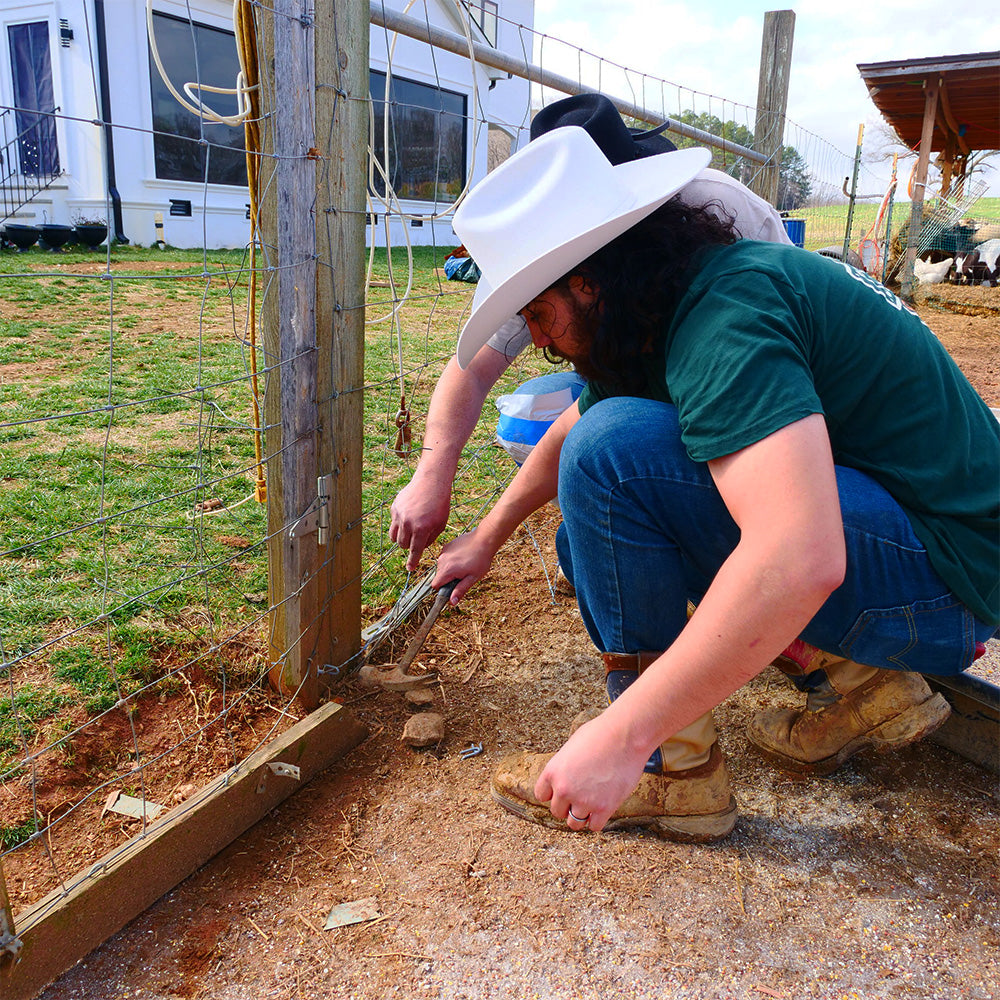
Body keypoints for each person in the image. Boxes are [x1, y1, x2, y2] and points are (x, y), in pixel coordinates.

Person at [429, 125, 999, 843]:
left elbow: (799, 557)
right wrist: (487, 537)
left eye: (539, 314)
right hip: (933, 547)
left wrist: (624, 736)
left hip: (947, 585)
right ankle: (863, 685)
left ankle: (674, 771)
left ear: (587, 281)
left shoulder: (726, 318)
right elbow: (573, 429)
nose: (536, 341)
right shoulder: (669, 305)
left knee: (614, 461)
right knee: (590, 534)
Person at [389, 94, 792, 573]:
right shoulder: (537, 255)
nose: (538, 341)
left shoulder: (721, 210)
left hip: (749, 376)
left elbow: (784, 335)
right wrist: (433, 476)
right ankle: (614, 510)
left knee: (618, 437)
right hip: (638, 364)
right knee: (539, 420)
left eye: (539, 316)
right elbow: (472, 371)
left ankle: (696, 525)